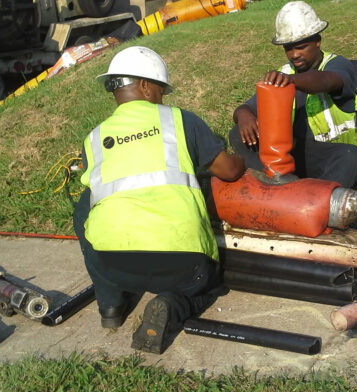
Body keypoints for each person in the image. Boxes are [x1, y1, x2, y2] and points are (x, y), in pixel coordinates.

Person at [72, 46, 245, 354]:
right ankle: (171, 303)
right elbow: (228, 171)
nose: (163, 96)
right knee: (208, 282)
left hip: (114, 266)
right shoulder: (181, 121)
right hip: (180, 265)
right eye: (161, 90)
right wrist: (243, 160)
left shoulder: (94, 139)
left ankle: (111, 307)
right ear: (145, 86)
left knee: (86, 204)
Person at [229, 1, 357, 189]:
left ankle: (317, 199)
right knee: (238, 134)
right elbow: (248, 106)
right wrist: (243, 114)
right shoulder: (284, 72)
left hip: (328, 154)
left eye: (301, 47)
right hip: (292, 155)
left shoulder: (337, 65)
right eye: (288, 48)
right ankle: (279, 186)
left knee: (352, 157)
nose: (294, 54)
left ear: (318, 41)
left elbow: (327, 81)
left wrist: (292, 81)